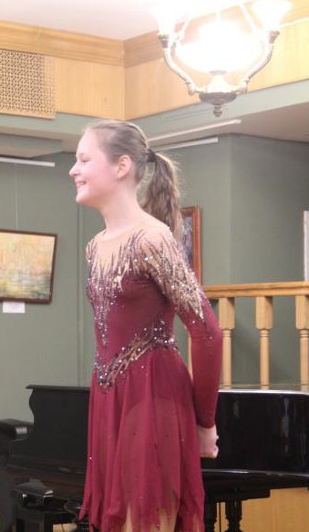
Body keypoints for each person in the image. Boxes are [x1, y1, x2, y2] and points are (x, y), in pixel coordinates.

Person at [69, 120, 222, 532]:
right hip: (110, 398)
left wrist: (205, 421)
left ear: (121, 166)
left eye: (84, 160)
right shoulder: (95, 246)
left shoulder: (152, 239)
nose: (73, 170)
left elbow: (207, 331)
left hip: (154, 396)